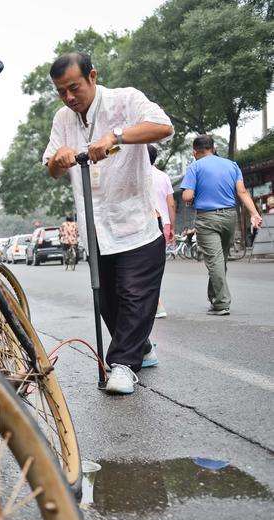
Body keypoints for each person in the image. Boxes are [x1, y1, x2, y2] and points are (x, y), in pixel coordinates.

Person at [43, 52, 174, 395]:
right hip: (96, 228)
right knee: (108, 302)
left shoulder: (126, 100)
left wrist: (116, 136)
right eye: (61, 91)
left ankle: (123, 366)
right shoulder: (63, 118)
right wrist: (59, 159)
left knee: (134, 295)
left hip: (135, 221)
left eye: (74, 88)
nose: (69, 97)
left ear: (92, 76)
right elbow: (53, 168)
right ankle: (140, 347)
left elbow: (163, 127)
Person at [180, 134, 264, 316]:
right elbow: (241, 191)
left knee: (215, 260)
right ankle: (214, 297)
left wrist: (194, 195)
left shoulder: (195, 166)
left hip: (207, 219)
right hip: (229, 217)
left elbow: (187, 196)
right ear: (214, 148)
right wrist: (254, 214)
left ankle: (222, 303)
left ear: (195, 152)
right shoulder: (231, 165)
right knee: (219, 259)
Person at [147, 144, 175, 318]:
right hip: (163, 223)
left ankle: (155, 304)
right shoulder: (163, 176)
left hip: (146, 224)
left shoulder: (140, 175)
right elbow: (171, 203)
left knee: (145, 267)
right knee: (156, 266)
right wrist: (171, 226)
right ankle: (154, 303)